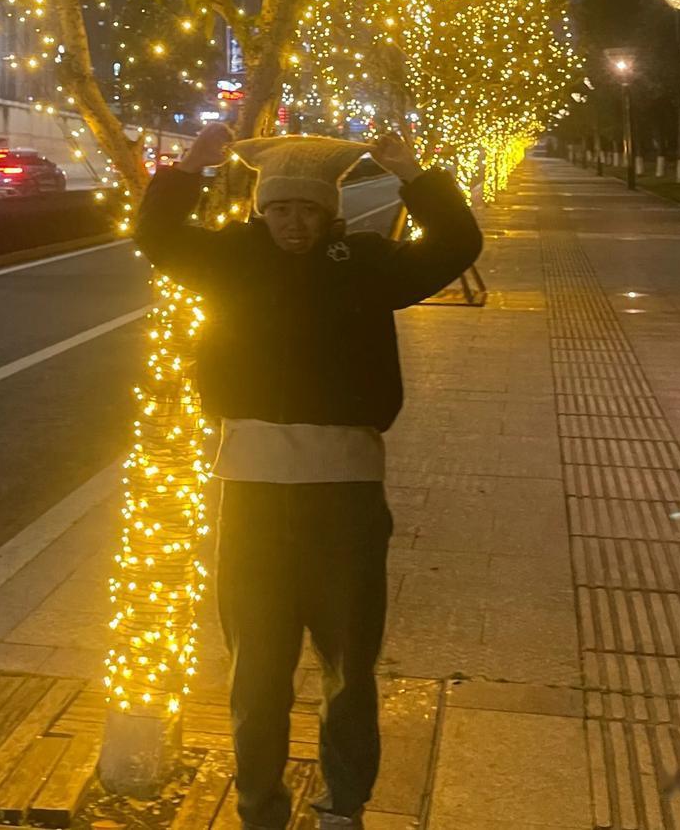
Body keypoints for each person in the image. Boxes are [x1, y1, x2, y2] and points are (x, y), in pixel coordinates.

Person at [135, 123, 483, 830]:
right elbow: (157, 238)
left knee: (349, 664)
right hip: (253, 493)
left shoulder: (364, 261)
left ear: (329, 211)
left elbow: (458, 245)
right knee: (256, 671)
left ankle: (343, 804)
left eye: (307, 209)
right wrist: (190, 168)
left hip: (345, 492)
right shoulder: (230, 257)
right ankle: (259, 806)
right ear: (261, 209)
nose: (293, 222)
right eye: (280, 208)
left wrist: (413, 173)